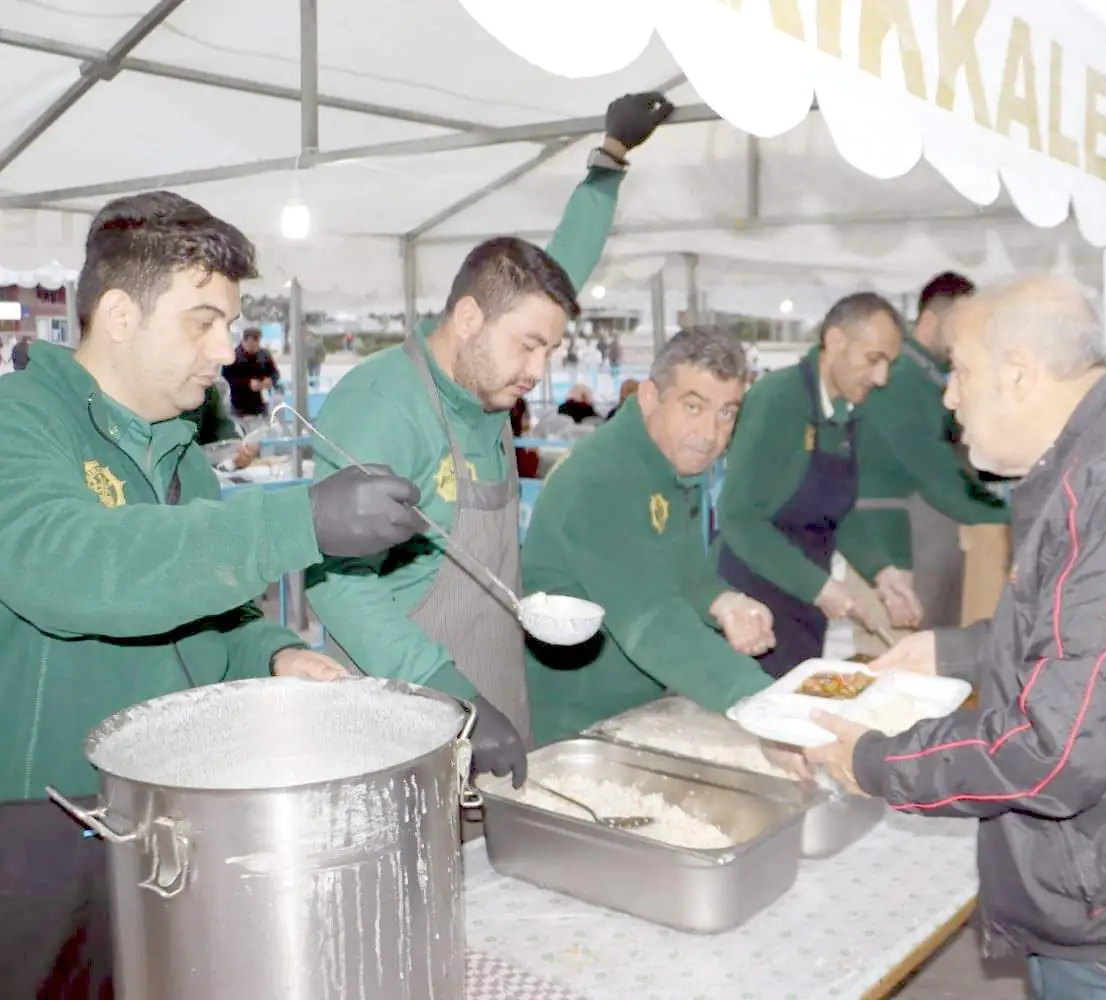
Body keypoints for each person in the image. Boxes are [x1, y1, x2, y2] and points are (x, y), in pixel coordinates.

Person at [805, 276, 1106, 998]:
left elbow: (1055, 751)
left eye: (961, 373)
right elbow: (1098, 645)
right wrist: (953, 649)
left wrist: (879, 762)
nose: (948, 398)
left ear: (1019, 374)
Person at [0, 191, 430, 997]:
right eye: (203, 321)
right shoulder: (19, 421)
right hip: (36, 822)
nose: (226, 350)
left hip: (159, 809)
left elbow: (205, 611)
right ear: (121, 314)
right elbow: (69, 567)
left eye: (230, 324)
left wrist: (272, 653)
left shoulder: (178, 448)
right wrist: (292, 521)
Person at [305, 91, 674, 748]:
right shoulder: (383, 404)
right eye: (529, 346)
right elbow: (337, 585)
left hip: (494, 688)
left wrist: (609, 162)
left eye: (549, 349)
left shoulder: (485, 383)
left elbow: (557, 274)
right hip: (406, 709)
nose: (538, 368)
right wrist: (455, 698)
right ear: (470, 318)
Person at [523, 329, 777, 743]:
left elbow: (681, 569)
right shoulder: (600, 479)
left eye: (726, 413)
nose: (711, 434)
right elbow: (652, 622)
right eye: (692, 406)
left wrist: (722, 601)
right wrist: (760, 699)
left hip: (641, 708)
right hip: (575, 724)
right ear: (648, 397)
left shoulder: (673, 465)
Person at [716, 292, 919, 677]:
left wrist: (883, 572)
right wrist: (819, 587)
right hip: (755, 602)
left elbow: (839, 512)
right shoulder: (778, 400)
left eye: (889, 364)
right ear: (836, 341)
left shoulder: (846, 415)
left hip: (805, 605)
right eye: (873, 359)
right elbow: (739, 518)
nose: (882, 377)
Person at [843, 272, 1009, 627]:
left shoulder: (927, 379)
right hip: (891, 555)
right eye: (959, 326)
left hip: (917, 547)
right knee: (895, 671)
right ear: (931, 320)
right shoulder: (901, 381)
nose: (967, 338)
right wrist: (1008, 518)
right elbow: (937, 477)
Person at [222, 326, 280, 419]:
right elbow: (227, 378)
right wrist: (247, 383)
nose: (253, 348)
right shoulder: (233, 356)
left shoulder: (264, 355)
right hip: (239, 406)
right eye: (250, 345)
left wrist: (270, 380)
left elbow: (275, 373)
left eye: (256, 344)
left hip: (261, 404)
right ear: (244, 341)